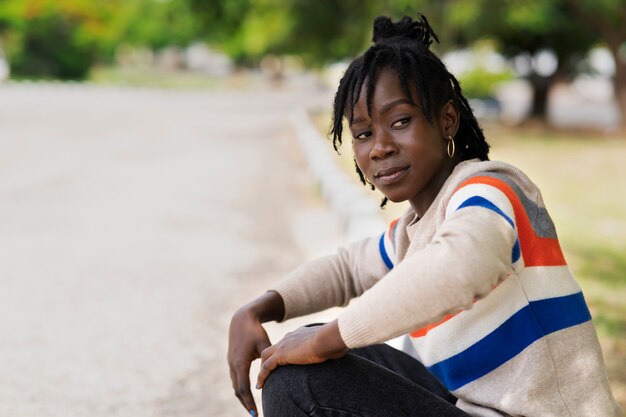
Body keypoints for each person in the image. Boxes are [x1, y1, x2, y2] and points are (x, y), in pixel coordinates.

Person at [227, 14, 622, 417]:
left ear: (447, 120)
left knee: (302, 380)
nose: (379, 148)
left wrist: (330, 338)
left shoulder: (491, 191)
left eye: (400, 122)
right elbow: (346, 270)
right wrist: (259, 309)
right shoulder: (414, 232)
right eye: (363, 134)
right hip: (470, 406)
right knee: (300, 351)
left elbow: (458, 267)